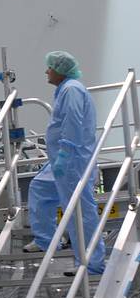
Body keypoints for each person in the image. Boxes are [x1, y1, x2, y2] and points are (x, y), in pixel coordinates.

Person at [25, 51, 105, 275]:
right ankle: (46, 240)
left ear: (59, 70)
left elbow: (73, 121)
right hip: (62, 159)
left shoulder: (71, 90)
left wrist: (66, 152)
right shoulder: (65, 90)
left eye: (49, 67)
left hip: (72, 160)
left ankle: (92, 263)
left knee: (80, 211)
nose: (46, 71)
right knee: (39, 187)